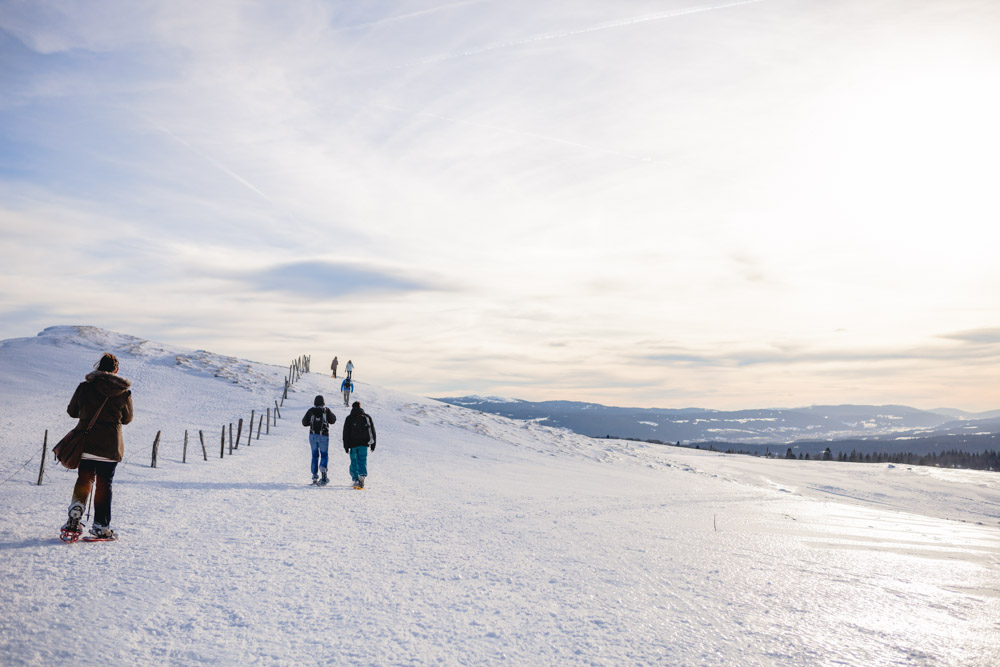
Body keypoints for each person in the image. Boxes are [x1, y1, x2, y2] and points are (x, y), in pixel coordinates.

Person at [61, 352, 133, 540]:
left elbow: (72, 411)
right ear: (116, 370)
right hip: (110, 447)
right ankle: (101, 526)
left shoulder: (85, 388)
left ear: (98, 367)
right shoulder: (123, 392)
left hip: (86, 443)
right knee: (104, 483)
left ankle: (75, 515)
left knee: (84, 479)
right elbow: (127, 419)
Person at [301, 395, 337, 485]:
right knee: (324, 455)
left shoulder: (311, 411)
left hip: (312, 435)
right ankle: (323, 471)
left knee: (314, 456)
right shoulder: (326, 410)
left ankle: (314, 476)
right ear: (323, 402)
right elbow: (333, 420)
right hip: (323, 435)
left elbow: (304, 423)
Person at [343, 401, 376, 488]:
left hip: (353, 445)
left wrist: (346, 446)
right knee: (362, 460)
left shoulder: (349, 418)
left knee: (354, 461)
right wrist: (373, 444)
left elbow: (345, 433)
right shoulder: (367, 417)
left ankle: (355, 479)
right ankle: (362, 477)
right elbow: (372, 431)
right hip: (364, 444)